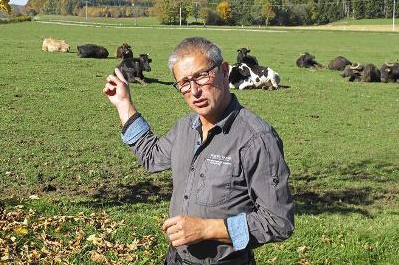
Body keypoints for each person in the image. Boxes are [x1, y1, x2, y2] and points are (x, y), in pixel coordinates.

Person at [103, 37, 294, 264]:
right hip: (175, 258)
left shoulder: (256, 139)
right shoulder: (185, 128)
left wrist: (206, 229)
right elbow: (151, 157)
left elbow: (279, 222)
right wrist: (124, 104)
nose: (194, 91)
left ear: (224, 71)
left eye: (202, 76)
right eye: (184, 83)